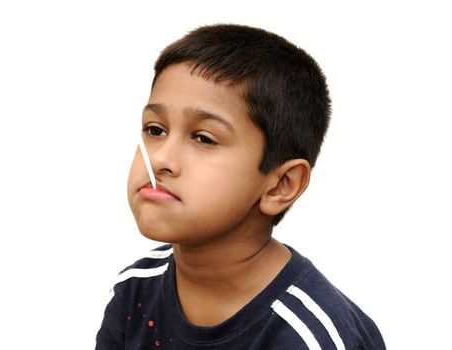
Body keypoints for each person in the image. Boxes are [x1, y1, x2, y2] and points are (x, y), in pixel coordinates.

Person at [95, 24, 386, 349]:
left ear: (281, 185)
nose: (161, 158)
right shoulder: (135, 289)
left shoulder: (309, 338)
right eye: (155, 130)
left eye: (204, 138)